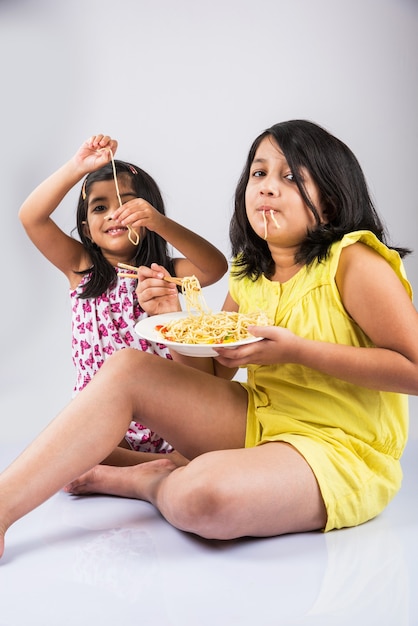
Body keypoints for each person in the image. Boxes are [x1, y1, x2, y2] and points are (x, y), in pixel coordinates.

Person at [1, 119, 418, 559]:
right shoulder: (248, 273)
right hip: (258, 421)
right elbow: (216, 375)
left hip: (340, 449)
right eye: (259, 173)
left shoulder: (354, 261)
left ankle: (147, 479)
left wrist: (298, 351)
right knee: (127, 366)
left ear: (330, 203)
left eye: (291, 176)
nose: (268, 187)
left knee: (201, 499)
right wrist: (172, 319)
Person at [18, 134, 227, 465]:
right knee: (69, 446)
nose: (115, 214)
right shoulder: (81, 268)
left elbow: (214, 267)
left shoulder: (166, 273)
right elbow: (31, 217)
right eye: (100, 207)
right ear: (87, 230)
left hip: (168, 416)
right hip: (106, 419)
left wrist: (159, 222)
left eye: (127, 204)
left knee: (75, 464)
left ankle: (162, 465)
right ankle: (159, 469)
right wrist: (77, 166)